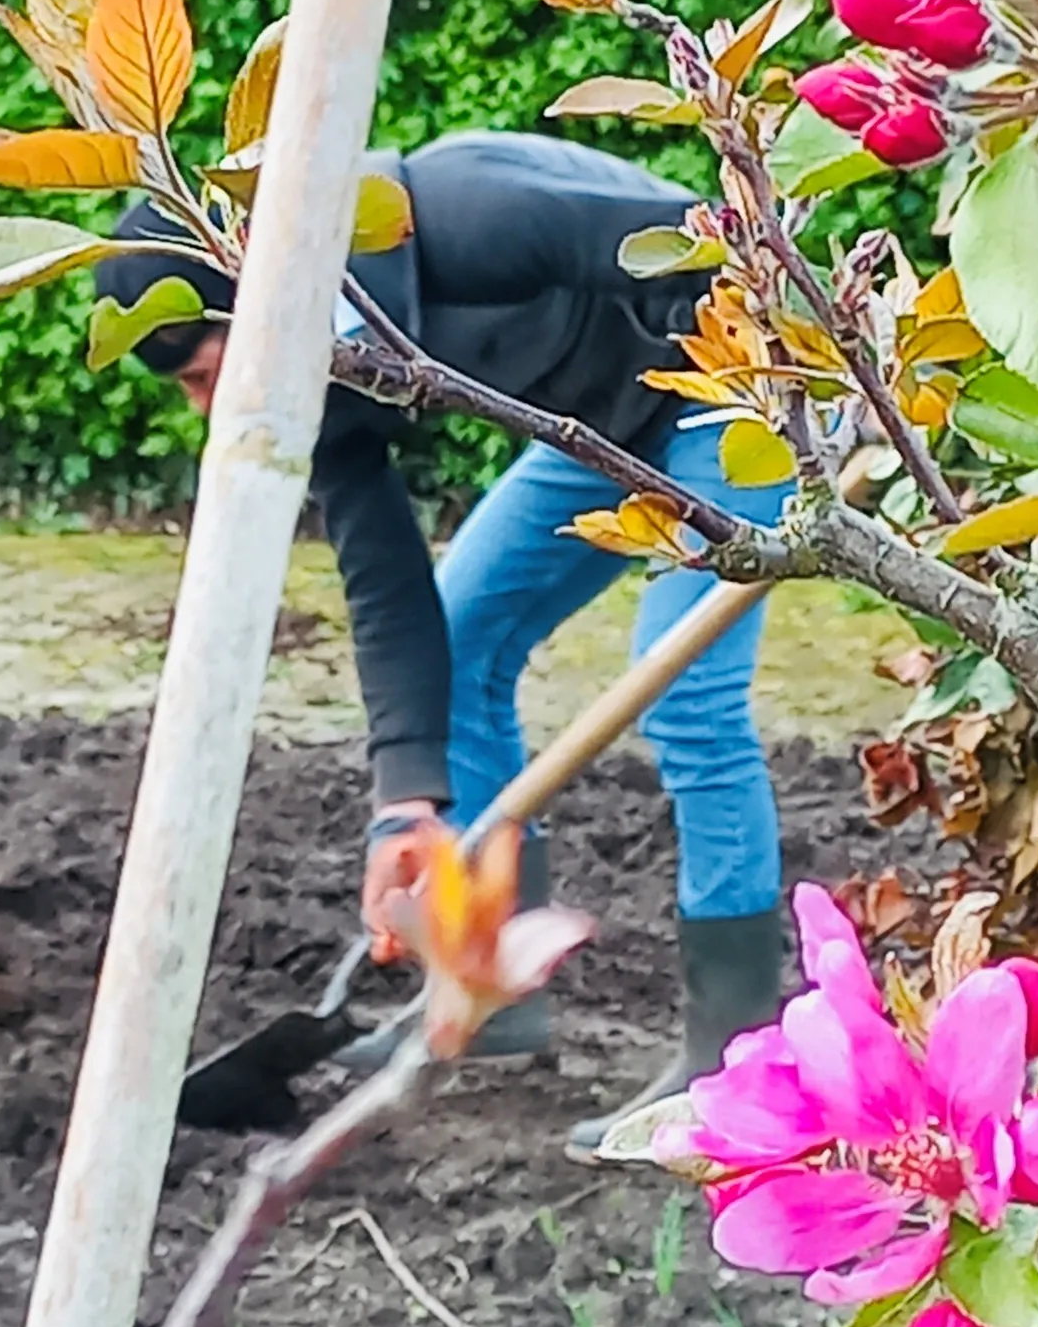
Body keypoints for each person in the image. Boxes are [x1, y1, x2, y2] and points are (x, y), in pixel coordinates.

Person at [97, 130, 793, 1136]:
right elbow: (387, 592)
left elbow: (708, 244)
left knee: (686, 695)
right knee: (461, 638)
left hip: (735, 387)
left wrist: (830, 373)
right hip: (604, 422)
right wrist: (402, 806)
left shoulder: (464, 216)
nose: (209, 409)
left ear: (262, 310)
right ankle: (490, 989)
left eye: (206, 373)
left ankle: (731, 1058)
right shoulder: (319, 373)